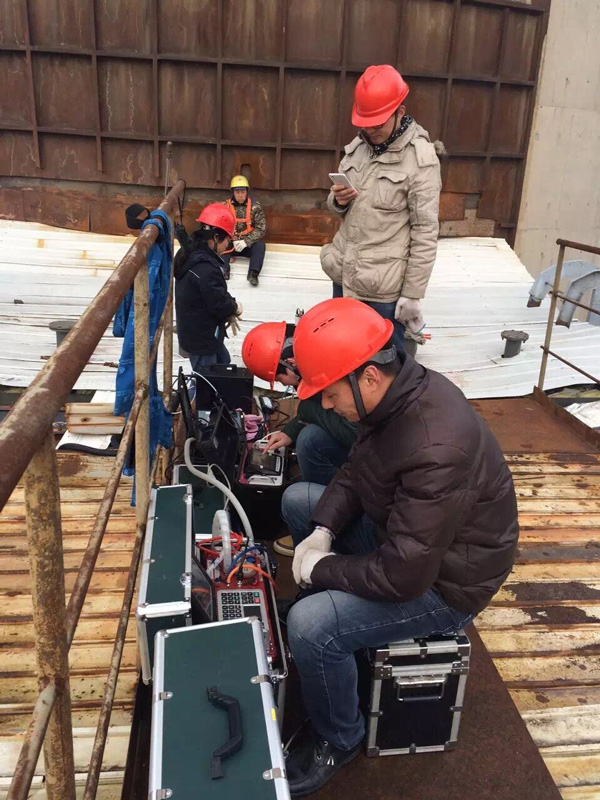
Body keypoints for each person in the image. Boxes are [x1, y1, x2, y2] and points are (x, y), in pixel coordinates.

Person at [281, 298, 519, 796]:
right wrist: (322, 530)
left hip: (446, 585)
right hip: (409, 540)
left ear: (368, 376)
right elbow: (355, 471)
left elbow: (404, 576)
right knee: (302, 502)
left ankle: (339, 738)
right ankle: (332, 620)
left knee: (311, 626)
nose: (327, 406)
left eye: (330, 393)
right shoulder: (396, 396)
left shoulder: (436, 443)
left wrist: (322, 569)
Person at [322, 64, 443, 352]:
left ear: (400, 112)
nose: (371, 130)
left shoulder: (420, 160)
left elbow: (425, 232)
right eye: (365, 123)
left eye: (378, 123)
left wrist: (412, 294)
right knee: (345, 353)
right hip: (345, 275)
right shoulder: (358, 147)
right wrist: (338, 201)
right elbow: (337, 206)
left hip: (381, 292)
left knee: (384, 365)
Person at [241, 321, 357, 557]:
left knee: (298, 482)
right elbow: (316, 409)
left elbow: (353, 433)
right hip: (369, 460)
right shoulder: (324, 356)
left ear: (291, 363)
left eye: (279, 378)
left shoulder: (341, 372)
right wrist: (289, 432)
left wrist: (307, 410)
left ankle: (324, 535)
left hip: (375, 475)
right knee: (308, 438)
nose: (283, 384)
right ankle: (324, 513)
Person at [174, 203, 243, 371]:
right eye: (227, 240)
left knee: (224, 362)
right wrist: (234, 307)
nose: (227, 246)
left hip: (198, 330)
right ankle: (198, 389)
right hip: (202, 338)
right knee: (207, 379)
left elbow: (212, 293)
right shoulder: (205, 268)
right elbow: (218, 302)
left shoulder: (190, 254)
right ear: (216, 238)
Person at [221, 175, 267, 286]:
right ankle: (224, 270)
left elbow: (261, 228)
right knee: (220, 242)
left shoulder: (255, 207)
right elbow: (220, 226)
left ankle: (253, 273)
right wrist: (230, 238)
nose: (240, 195)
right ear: (233, 192)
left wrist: (246, 241)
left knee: (260, 246)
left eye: (243, 192)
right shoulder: (225, 206)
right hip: (231, 244)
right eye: (237, 192)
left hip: (247, 244)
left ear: (247, 192)